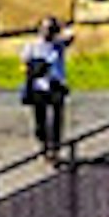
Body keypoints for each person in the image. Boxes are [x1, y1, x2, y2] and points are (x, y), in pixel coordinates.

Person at [19, 17, 71, 164]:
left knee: (57, 118)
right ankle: (43, 146)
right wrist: (35, 69)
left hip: (55, 85)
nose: (46, 32)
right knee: (40, 119)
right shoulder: (32, 46)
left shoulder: (58, 45)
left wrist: (61, 27)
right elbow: (23, 64)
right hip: (39, 86)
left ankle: (55, 148)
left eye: (50, 29)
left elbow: (71, 36)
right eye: (44, 29)